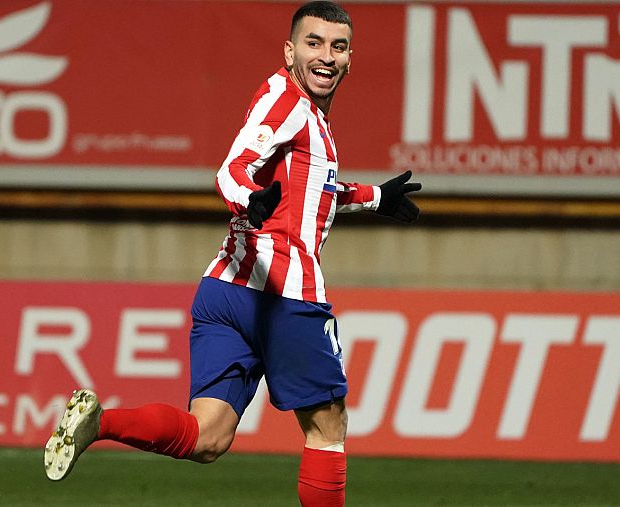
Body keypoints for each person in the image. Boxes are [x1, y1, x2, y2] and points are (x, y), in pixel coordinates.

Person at [44, 2, 421, 505]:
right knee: (327, 427)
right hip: (284, 292)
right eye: (314, 43)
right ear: (290, 52)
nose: (326, 56)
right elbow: (231, 170)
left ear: (350, 57)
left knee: (208, 436)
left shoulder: (306, 115)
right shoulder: (286, 102)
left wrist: (376, 198)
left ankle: (99, 422)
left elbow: (315, 190)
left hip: (225, 289)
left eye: (337, 46)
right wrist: (250, 198)